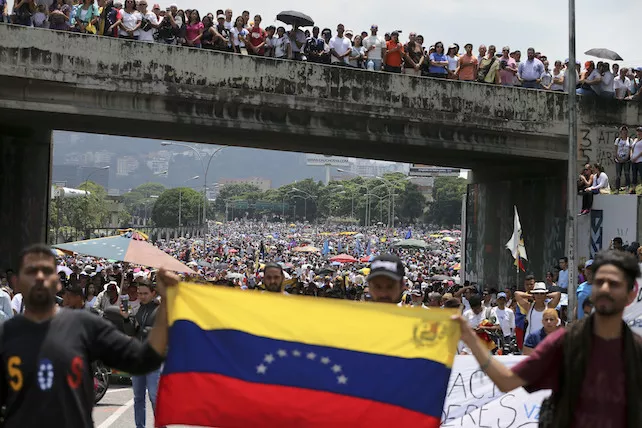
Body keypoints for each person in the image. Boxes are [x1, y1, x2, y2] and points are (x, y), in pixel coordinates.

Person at [454, 250, 642, 428]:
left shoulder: (637, 351)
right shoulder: (566, 343)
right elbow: (506, 381)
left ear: (631, 293)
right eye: (600, 282)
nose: (605, 289)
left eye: (614, 283)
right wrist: (471, 340)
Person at [0, 244, 172, 428]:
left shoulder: (86, 326)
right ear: (16, 282)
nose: (39, 277)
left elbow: (144, 359)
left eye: (46, 271)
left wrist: (167, 299)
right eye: (31, 271)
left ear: (57, 283)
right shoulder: (5, 336)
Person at [125, 280, 161, 428]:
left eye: (145, 293)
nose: (141, 296)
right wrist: (126, 318)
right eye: (139, 293)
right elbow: (131, 332)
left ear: (153, 293)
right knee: (138, 397)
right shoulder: (139, 309)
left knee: (154, 396)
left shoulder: (160, 309)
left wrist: (144, 329)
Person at [614, 125, 632, 193]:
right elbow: (615, 150)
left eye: (625, 131)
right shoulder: (617, 140)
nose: (624, 132)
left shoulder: (630, 140)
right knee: (618, 174)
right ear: (620, 132)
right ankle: (617, 189)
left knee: (627, 173)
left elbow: (630, 150)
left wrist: (627, 157)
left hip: (626, 159)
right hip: (618, 159)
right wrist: (617, 157)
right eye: (622, 131)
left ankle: (627, 187)